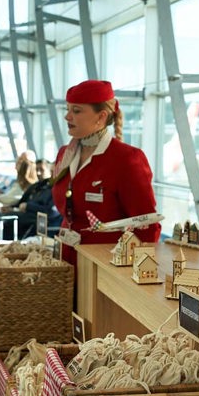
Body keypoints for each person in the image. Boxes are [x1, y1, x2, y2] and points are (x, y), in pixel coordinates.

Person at [51, 80, 160, 265]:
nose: (67, 117)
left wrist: (133, 271)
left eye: (76, 111)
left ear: (100, 117)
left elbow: (146, 225)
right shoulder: (64, 154)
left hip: (104, 266)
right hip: (65, 258)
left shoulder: (127, 159)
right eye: (67, 109)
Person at [0, 159, 61, 239]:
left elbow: (51, 213)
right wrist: (11, 207)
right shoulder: (36, 186)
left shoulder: (55, 190)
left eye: (41, 170)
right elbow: (21, 202)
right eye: (37, 170)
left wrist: (28, 206)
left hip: (30, 222)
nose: (38, 173)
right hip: (18, 214)